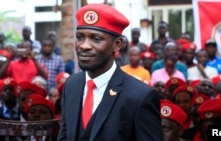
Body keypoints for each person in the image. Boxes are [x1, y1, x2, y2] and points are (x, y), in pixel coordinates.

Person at [57, 4, 164, 141]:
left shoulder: (140, 96)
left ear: (117, 44)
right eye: (79, 37)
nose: (84, 45)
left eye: (95, 39)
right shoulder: (72, 85)